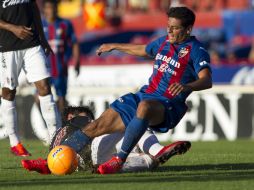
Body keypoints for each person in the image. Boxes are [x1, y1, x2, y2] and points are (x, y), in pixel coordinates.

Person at [61, 6, 212, 174]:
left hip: (168, 104)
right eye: (168, 25)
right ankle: (54, 157)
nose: (169, 30)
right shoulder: (163, 42)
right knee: (96, 125)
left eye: (175, 28)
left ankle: (119, 160)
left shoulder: (197, 50)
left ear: (188, 29)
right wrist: (114, 46)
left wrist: (187, 86)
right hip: (144, 94)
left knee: (144, 107)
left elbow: (207, 80)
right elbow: (143, 49)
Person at [21, 105, 191, 174]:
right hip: (94, 146)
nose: (91, 120)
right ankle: (157, 150)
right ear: (72, 116)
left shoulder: (59, 135)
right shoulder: (77, 122)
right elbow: (96, 127)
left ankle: (152, 157)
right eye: (88, 117)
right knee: (135, 124)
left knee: (145, 161)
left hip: (88, 163)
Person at [0, 0, 61, 156]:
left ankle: (57, 141)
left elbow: (34, 9)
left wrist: (42, 38)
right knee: (8, 92)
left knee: (45, 88)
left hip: (32, 43)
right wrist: (13, 28)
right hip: (7, 46)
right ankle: (15, 142)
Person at [40, 0, 80, 112]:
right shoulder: (39, 25)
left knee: (61, 98)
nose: (51, 11)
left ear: (57, 9)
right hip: (43, 68)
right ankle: (47, 124)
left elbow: (74, 43)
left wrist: (77, 62)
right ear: (44, 9)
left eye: (53, 8)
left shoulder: (65, 24)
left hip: (60, 67)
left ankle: (62, 126)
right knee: (38, 98)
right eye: (48, 8)